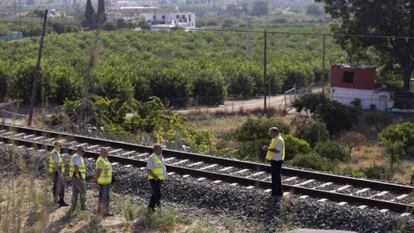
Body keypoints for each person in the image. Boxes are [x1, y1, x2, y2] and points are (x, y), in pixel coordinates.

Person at [263, 127, 285, 198]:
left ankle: (275, 193)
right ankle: (279, 193)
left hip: (277, 160)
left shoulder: (279, 140)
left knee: (275, 177)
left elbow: (277, 150)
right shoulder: (275, 139)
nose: (270, 134)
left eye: (271, 133)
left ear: (275, 132)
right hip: (274, 159)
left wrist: (267, 148)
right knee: (276, 177)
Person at [146, 144, 167, 212]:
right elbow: (148, 170)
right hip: (154, 179)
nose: (161, 150)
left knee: (155, 193)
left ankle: (150, 207)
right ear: (155, 150)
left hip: (160, 179)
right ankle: (159, 208)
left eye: (161, 149)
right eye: (160, 149)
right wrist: (155, 178)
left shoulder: (160, 156)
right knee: (158, 194)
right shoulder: (151, 158)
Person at [48, 141, 69, 207]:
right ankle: (61, 200)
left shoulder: (56, 152)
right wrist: (59, 173)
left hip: (56, 171)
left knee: (56, 185)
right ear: (56, 145)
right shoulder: (55, 153)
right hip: (57, 171)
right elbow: (56, 164)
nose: (61, 147)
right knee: (61, 186)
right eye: (59, 145)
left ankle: (56, 199)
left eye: (61, 145)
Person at [94, 147, 113, 216]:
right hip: (104, 182)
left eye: (106, 152)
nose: (106, 153)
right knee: (105, 197)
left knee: (102, 197)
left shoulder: (104, 159)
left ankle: (100, 210)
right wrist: (96, 179)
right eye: (104, 152)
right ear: (101, 153)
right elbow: (98, 171)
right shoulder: (101, 160)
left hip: (106, 182)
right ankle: (105, 212)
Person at [69, 146, 88, 210]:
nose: (83, 153)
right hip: (79, 177)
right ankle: (83, 206)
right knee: (83, 192)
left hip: (74, 176)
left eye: (84, 151)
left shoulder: (75, 156)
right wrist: (78, 176)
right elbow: (76, 166)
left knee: (75, 192)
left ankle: (73, 206)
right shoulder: (77, 157)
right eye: (82, 151)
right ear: (78, 150)